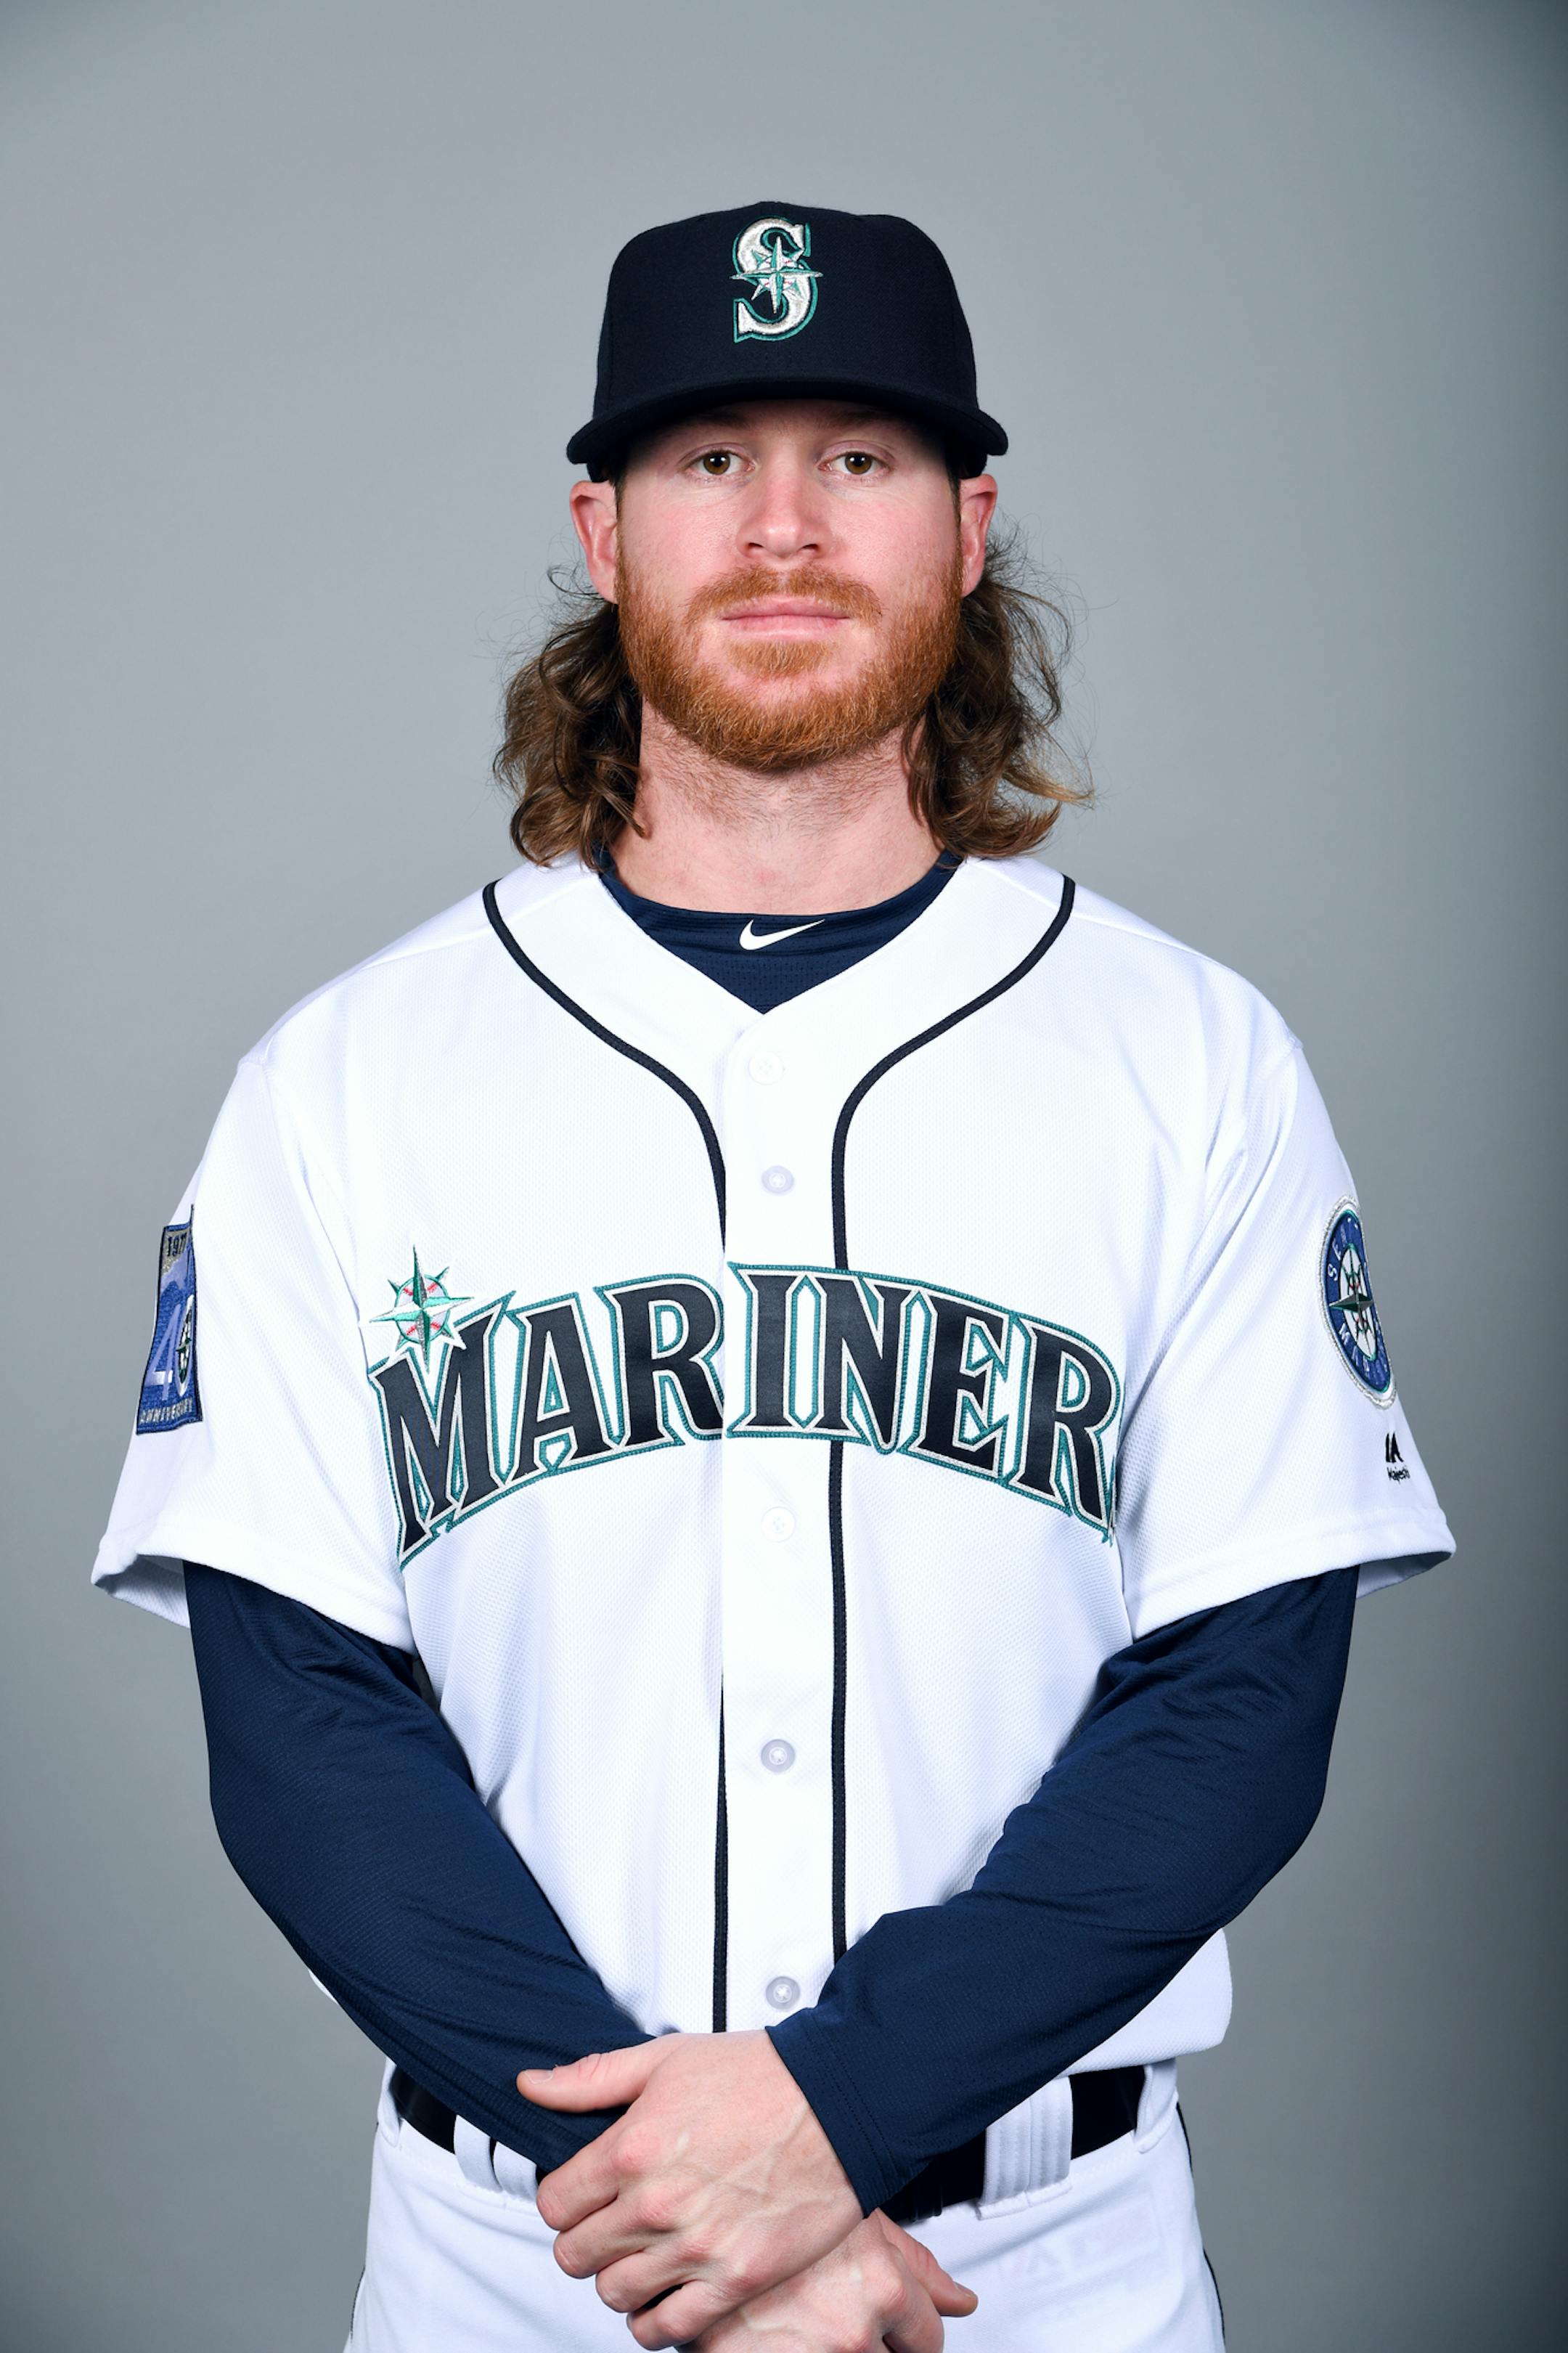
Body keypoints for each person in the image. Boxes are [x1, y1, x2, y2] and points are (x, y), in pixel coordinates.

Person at [93, 203, 1453, 2352]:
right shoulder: (341, 1082)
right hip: (525, 2272)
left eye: (862, 457)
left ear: (970, 525)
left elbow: (1240, 1699)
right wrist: (680, 2205)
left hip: (1044, 2268)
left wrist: (826, 2120)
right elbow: (300, 1724)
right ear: (603, 531)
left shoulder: (1195, 1060)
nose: (785, 526)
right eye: (711, 457)